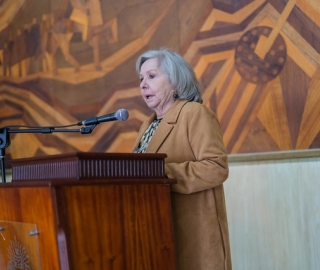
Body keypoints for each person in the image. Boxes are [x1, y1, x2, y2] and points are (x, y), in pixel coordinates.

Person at [132, 48, 232, 270]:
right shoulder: (147, 125)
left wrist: (163, 174)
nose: (143, 84)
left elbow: (216, 167)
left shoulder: (195, 114)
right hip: (155, 231)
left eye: (151, 76)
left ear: (176, 81)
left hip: (191, 234)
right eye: (141, 78)